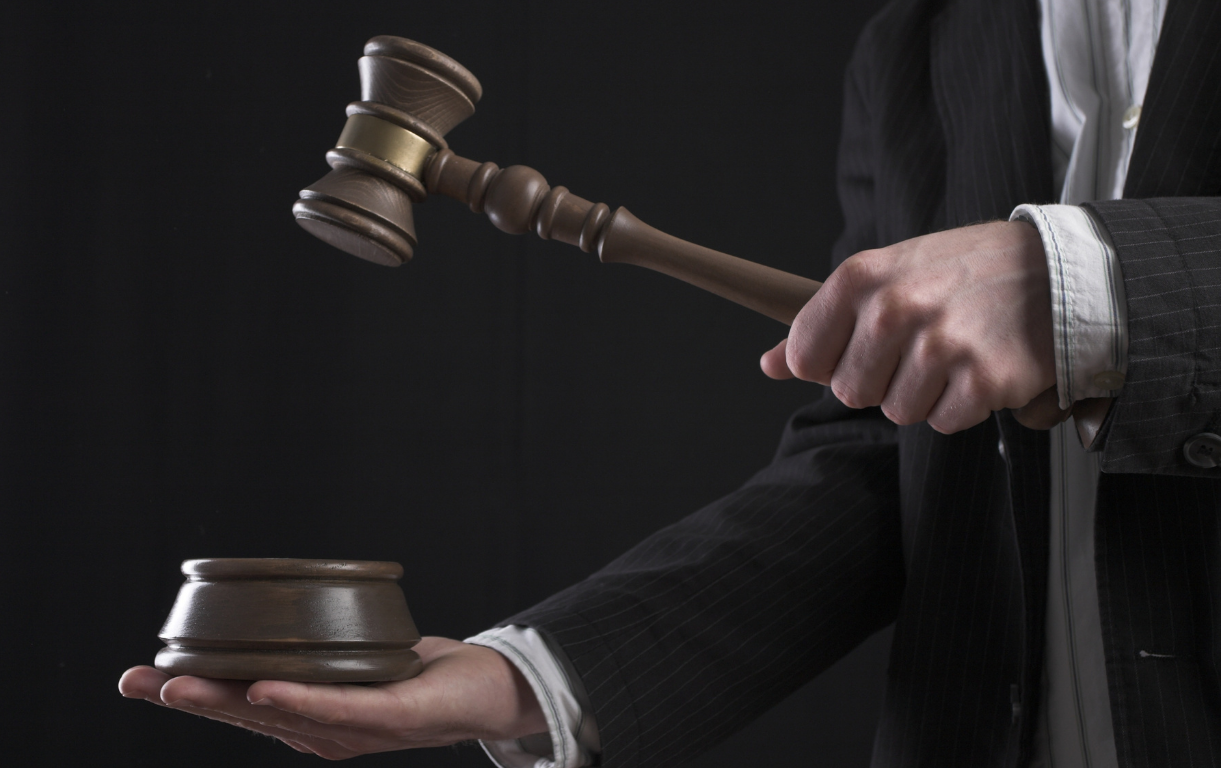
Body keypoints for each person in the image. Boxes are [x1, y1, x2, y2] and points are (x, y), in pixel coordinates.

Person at [120, 0, 1221, 765]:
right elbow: (890, 457)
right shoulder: (919, 48)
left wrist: (1097, 286)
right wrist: (532, 680)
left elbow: (1069, 310)